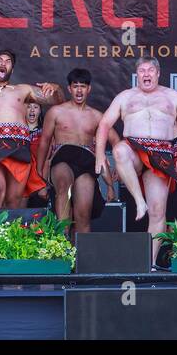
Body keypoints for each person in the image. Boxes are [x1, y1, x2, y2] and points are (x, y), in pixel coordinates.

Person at [94, 57, 177, 264]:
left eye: (151, 70)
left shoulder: (172, 96)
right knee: (120, 150)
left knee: (158, 212)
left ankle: (148, 263)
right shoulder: (125, 97)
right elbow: (104, 123)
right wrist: (99, 154)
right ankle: (139, 202)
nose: (147, 74)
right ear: (137, 74)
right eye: (142, 70)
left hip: (162, 154)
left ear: (158, 74)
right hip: (134, 149)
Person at [0, 49, 64, 217]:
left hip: (19, 149)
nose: (3, 63)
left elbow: (58, 100)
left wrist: (56, 88)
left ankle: (7, 242)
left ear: (12, 69)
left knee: (14, 201)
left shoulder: (23, 90)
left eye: (8, 61)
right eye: (0, 60)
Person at [35, 68, 117, 234]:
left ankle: (82, 256)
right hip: (62, 158)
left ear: (89, 89)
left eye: (83, 86)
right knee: (63, 185)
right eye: (76, 86)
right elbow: (44, 142)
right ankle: (62, 244)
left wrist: (114, 178)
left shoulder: (97, 116)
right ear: (69, 88)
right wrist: (39, 175)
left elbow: (116, 140)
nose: (79, 90)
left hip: (86, 162)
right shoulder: (56, 112)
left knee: (83, 214)